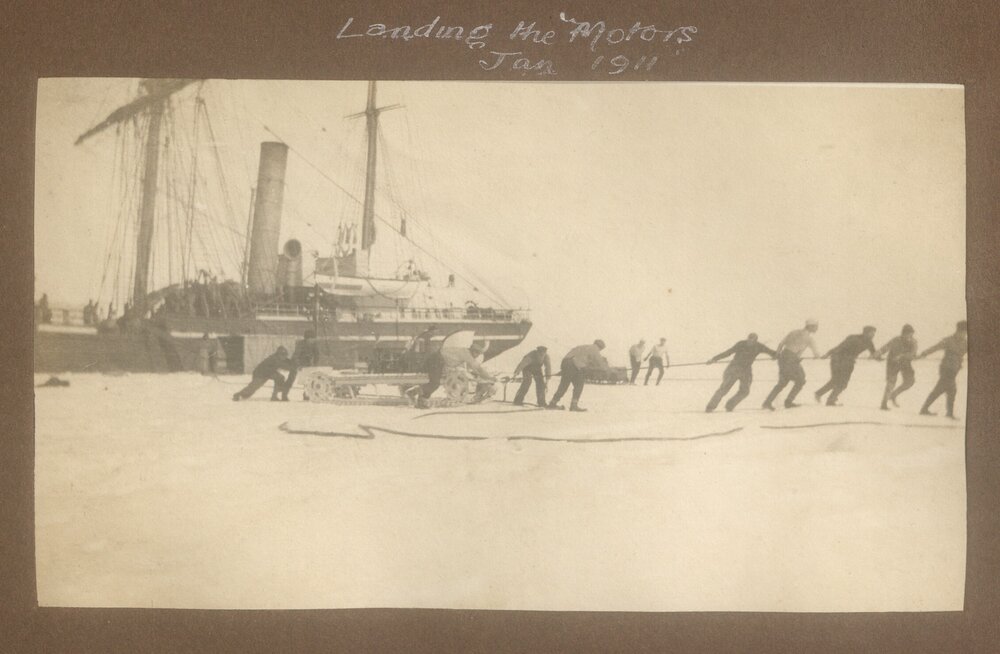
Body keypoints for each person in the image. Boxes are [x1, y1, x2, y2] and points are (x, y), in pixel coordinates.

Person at [705, 333, 777, 412]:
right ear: (747, 338)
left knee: (745, 391)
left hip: (746, 370)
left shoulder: (759, 346)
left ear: (756, 341)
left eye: (752, 340)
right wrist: (714, 359)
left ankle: (730, 405)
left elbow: (771, 352)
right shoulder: (741, 344)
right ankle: (710, 407)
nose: (749, 342)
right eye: (749, 339)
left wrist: (775, 356)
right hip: (734, 368)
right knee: (724, 388)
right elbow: (728, 352)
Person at [414, 341, 495, 408]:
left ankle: (421, 400)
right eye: (477, 353)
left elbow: (473, 369)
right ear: (473, 350)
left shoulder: (464, 352)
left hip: (438, 360)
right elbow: (478, 368)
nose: (477, 355)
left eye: (479, 353)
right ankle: (414, 393)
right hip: (437, 360)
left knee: (434, 383)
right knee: (435, 383)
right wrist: (489, 377)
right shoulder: (467, 354)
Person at [814, 326, 879, 406]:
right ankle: (826, 398)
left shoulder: (869, 342)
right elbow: (840, 346)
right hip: (838, 359)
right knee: (837, 381)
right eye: (871, 333)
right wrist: (828, 354)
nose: (873, 335)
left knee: (842, 383)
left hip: (849, 362)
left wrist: (880, 357)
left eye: (874, 333)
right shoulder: (853, 338)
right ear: (865, 332)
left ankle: (826, 397)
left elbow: (874, 354)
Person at [763, 319, 821, 410]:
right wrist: (818, 356)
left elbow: (781, 344)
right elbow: (816, 354)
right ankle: (788, 401)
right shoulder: (809, 339)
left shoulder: (793, 332)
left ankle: (767, 402)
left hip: (783, 357)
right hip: (791, 359)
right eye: (816, 327)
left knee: (782, 382)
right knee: (801, 380)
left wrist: (777, 354)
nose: (817, 329)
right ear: (810, 326)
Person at [918, 321, 968, 420]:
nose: (964, 335)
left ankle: (926, 409)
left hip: (954, 369)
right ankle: (948, 413)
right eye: (963, 332)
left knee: (943, 389)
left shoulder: (965, 343)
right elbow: (935, 347)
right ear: (958, 331)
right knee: (950, 389)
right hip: (946, 368)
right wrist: (923, 353)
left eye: (965, 333)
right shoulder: (948, 340)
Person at [548, 339, 611, 412]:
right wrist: (607, 369)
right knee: (579, 384)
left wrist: (565, 369)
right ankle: (574, 405)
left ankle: (553, 403)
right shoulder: (594, 349)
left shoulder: (582, 347)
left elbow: (570, 356)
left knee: (564, 384)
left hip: (566, 362)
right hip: (575, 365)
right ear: (600, 347)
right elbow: (600, 362)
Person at [877, 324, 918, 410]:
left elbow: (913, 354)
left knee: (910, 382)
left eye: (911, 334)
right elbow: (886, 347)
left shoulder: (914, 342)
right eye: (907, 334)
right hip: (892, 363)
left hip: (905, 363)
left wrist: (902, 356)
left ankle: (894, 394)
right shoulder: (896, 340)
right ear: (903, 334)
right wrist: (878, 353)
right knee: (891, 382)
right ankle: (884, 403)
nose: (909, 336)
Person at [281, 330, 319, 401]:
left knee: (308, 379)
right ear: (307, 338)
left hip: (307, 363)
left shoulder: (314, 345)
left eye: (313, 339)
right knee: (291, 379)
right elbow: (296, 356)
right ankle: (284, 395)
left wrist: (314, 364)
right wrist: (298, 365)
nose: (313, 340)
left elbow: (317, 355)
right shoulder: (301, 344)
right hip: (296, 363)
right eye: (311, 339)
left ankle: (306, 395)